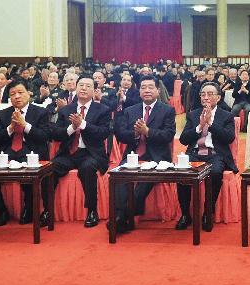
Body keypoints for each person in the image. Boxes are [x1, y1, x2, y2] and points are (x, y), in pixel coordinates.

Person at [111, 76, 177, 233]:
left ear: (157, 90)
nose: (147, 90)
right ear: (139, 90)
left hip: (157, 157)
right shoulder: (130, 110)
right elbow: (120, 135)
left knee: (144, 181)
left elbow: (168, 135)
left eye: (150, 87)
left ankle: (122, 216)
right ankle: (122, 216)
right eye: (143, 87)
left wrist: (148, 132)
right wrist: (135, 133)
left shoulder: (167, 110)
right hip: (133, 156)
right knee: (120, 178)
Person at [0, 80, 51, 226]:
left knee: (28, 174)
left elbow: (44, 137)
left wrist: (24, 125)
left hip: (31, 151)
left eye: (20, 92)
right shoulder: (1, 114)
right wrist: (11, 127)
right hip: (7, 152)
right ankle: (2, 210)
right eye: (13, 94)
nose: (17, 97)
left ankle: (29, 209)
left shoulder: (41, 112)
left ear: (29, 94)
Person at [50, 77, 112, 228]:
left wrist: (83, 124)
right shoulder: (66, 110)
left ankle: (92, 211)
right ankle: (47, 210)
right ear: (76, 88)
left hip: (91, 153)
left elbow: (103, 133)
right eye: (81, 85)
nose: (83, 88)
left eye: (88, 86)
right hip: (69, 153)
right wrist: (72, 127)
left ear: (94, 90)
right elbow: (56, 134)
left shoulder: (102, 110)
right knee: (50, 170)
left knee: (87, 168)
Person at [176, 82, 237, 232]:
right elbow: (184, 139)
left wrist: (210, 124)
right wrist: (199, 126)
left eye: (210, 94)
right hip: (194, 154)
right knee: (181, 173)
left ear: (218, 96)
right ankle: (185, 214)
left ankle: (208, 212)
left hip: (215, 155)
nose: (206, 97)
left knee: (215, 173)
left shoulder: (227, 115)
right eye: (203, 94)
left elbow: (228, 138)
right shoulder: (193, 114)